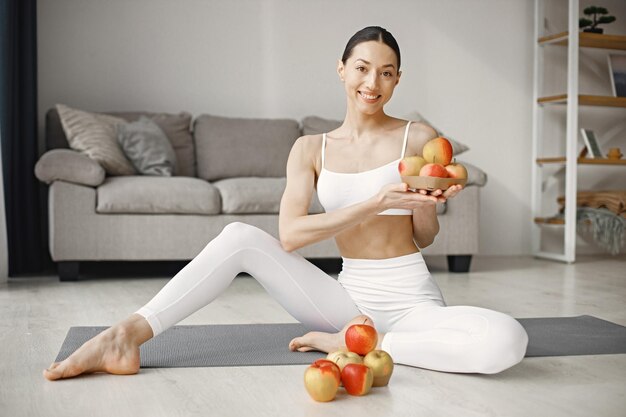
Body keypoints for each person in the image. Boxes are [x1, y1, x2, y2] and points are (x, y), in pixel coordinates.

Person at [43, 26, 527, 381]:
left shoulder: (418, 136)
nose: (372, 83)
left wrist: (424, 204)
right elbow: (292, 235)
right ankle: (127, 334)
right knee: (239, 238)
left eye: (385, 73)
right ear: (342, 70)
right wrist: (376, 202)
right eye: (362, 68)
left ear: (398, 79)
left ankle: (360, 347)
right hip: (347, 304)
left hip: (413, 302)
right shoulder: (310, 149)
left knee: (507, 340)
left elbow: (424, 236)